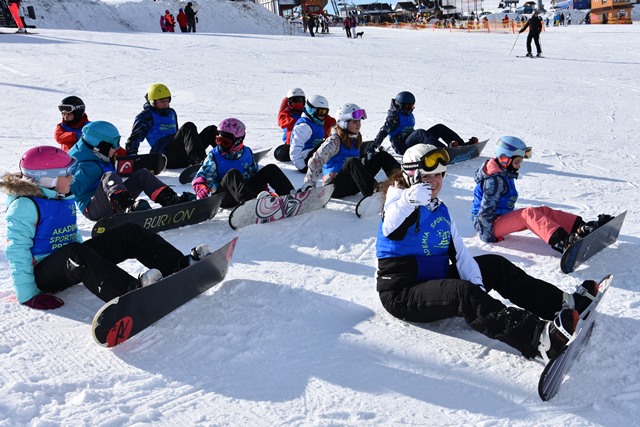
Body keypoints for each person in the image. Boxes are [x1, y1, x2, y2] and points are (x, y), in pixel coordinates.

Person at [375, 143, 599, 363]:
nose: (434, 182)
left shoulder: (439, 209)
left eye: (439, 175)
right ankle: (539, 339)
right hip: (402, 293)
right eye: (427, 176)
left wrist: (478, 290)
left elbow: (461, 255)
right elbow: (390, 226)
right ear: (412, 176)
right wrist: (408, 201)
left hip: (434, 281)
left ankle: (563, 305)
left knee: (494, 265)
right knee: (461, 292)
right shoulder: (398, 201)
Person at [1, 145, 213, 310]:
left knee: (129, 232)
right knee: (76, 252)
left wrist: (89, 260)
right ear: (47, 179)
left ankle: (178, 265)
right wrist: (28, 294)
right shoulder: (24, 205)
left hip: (69, 262)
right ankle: (130, 291)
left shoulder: (61, 197)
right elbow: (17, 250)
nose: (72, 177)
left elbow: (71, 236)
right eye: (67, 173)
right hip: (43, 274)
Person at [471, 136, 613, 252]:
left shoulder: (503, 173)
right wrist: (487, 234)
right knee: (528, 214)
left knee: (543, 211)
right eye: (517, 162)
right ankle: (563, 242)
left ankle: (581, 227)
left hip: (497, 219)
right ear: (504, 159)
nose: (519, 166)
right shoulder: (494, 181)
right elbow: (485, 211)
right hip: (488, 226)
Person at [70, 121, 195, 221]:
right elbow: (70, 190)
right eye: (113, 144)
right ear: (100, 146)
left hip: (112, 200)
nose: (117, 147)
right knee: (110, 176)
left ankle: (169, 199)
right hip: (92, 208)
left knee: (142, 174)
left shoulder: (100, 156)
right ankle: (128, 207)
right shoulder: (87, 167)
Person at [301, 103, 400, 198]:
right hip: (334, 187)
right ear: (344, 122)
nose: (358, 125)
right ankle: (374, 193)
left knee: (382, 156)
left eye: (359, 121)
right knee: (352, 162)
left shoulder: (355, 138)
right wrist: (309, 184)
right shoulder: (334, 141)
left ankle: (401, 180)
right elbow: (315, 161)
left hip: (353, 183)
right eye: (355, 122)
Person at [192, 118, 294, 209]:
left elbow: (254, 173)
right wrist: (201, 186)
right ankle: (251, 204)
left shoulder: (247, 152)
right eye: (219, 140)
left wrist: (264, 190)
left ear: (238, 141)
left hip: (245, 190)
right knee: (233, 173)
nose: (221, 145)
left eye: (225, 142)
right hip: (225, 197)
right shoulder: (214, 156)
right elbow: (201, 176)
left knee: (271, 169)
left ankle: (290, 195)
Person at [126, 83, 207, 168]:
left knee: (211, 130)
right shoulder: (146, 116)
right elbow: (134, 138)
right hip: (163, 156)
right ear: (152, 102)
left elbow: (179, 136)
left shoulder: (171, 113)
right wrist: (131, 156)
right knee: (188, 127)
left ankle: (215, 159)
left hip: (179, 155)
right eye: (162, 101)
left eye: (167, 101)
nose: (165, 104)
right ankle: (199, 161)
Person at [275, 89, 336, 162]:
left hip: (310, 141)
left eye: (301, 100)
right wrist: (303, 123)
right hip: (291, 142)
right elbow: (282, 121)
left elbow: (326, 119)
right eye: (295, 100)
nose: (298, 103)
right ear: (290, 102)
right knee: (283, 154)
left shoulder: (308, 112)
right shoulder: (287, 113)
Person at [289, 94, 333, 173]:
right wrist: (302, 167)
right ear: (311, 110)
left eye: (325, 112)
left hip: (314, 155)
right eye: (321, 112)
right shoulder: (304, 126)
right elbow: (295, 150)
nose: (323, 115)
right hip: (306, 159)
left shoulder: (316, 122)